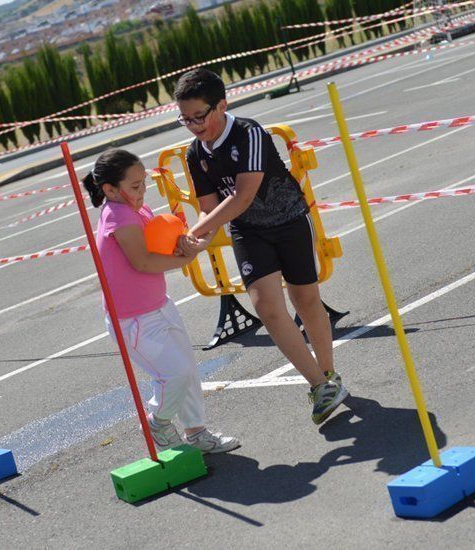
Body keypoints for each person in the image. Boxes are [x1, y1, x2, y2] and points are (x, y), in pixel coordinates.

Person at [174, 68, 348, 425]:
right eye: (185, 120)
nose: (194, 126)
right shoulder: (195, 154)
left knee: (305, 300)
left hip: (288, 220)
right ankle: (318, 385)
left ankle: (329, 373)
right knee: (267, 308)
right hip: (249, 231)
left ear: (221, 105)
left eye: (199, 117)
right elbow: (211, 211)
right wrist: (193, 244)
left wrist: (196, 230)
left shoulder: (249, 133)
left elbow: (242, 195)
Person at [83, 148, 240, 453]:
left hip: (158, 305)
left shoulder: (137, 209)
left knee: (188, 371)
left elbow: (160, 245)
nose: (143, 191)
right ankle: (158, 420)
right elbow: (142, 261)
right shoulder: (118, 215)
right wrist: (186, 257)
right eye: (135, 186)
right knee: (174, 374)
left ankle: (197, 433)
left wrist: (182, 242)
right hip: (133, 319)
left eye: (144, 183)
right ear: (109, 189)